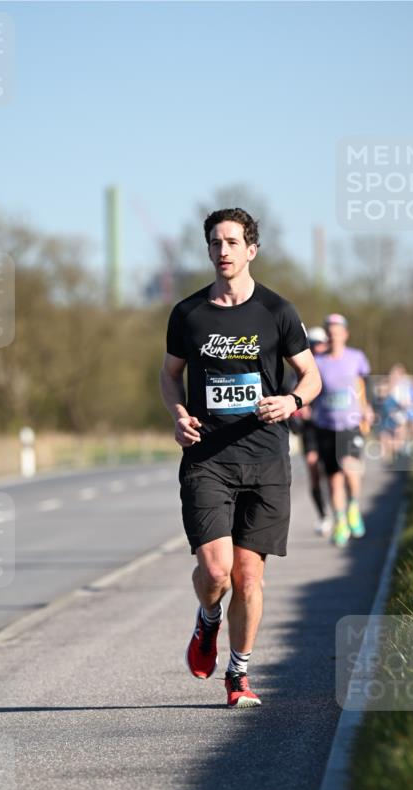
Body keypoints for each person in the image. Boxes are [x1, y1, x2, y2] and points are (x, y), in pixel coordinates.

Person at [159, 207, 321, 708]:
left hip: (266, 459)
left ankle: (239, 675)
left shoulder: (278, 311)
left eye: (231, 242)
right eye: (214, 243)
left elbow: (311, 376)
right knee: (216, 574)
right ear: (207, 250)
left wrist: (293, 400)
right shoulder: (189, 314)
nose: (222, 251)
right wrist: (178, 412)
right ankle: (207, 622)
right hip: (207, 458)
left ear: (251, 249)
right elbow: (169, 376)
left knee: (249, 576)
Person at [311, 314, 372, 547]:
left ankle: (353, 507)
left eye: (338, 331)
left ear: (345, 334)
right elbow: (310, 387)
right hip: (326, 425)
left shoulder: (357, 358)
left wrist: (368, 408)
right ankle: (340, 522)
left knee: (351, 468)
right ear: (327, 335)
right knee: (334, 479)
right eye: (330, 331)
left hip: (351, 422)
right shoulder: (318, 362)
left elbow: (365, 384)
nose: (334, 335)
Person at [291, 327, 332, 535]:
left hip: (330, 425)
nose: (317, 348)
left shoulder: (331, 365)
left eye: (321, 344)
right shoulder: (298, 367)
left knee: (332, 471)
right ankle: (323, 515)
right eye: (313, 344)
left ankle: (339, 510)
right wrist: (298, 407)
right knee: (313, 468)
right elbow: (290, 394)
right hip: (310, 429)